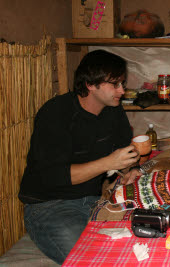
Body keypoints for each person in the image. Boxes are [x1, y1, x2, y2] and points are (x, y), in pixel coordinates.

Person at [18, 50, 142, 264]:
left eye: (122, 83)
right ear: (91, 84)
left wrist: (129, 170)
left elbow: (123, 156)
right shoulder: (56, 113)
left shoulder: (113, 111)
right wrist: (109, 162)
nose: (122, 90)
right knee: (90, 259)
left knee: (143, 237)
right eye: (115, 84)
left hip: (95, 200)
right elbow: (55, 176)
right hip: (50, 206)